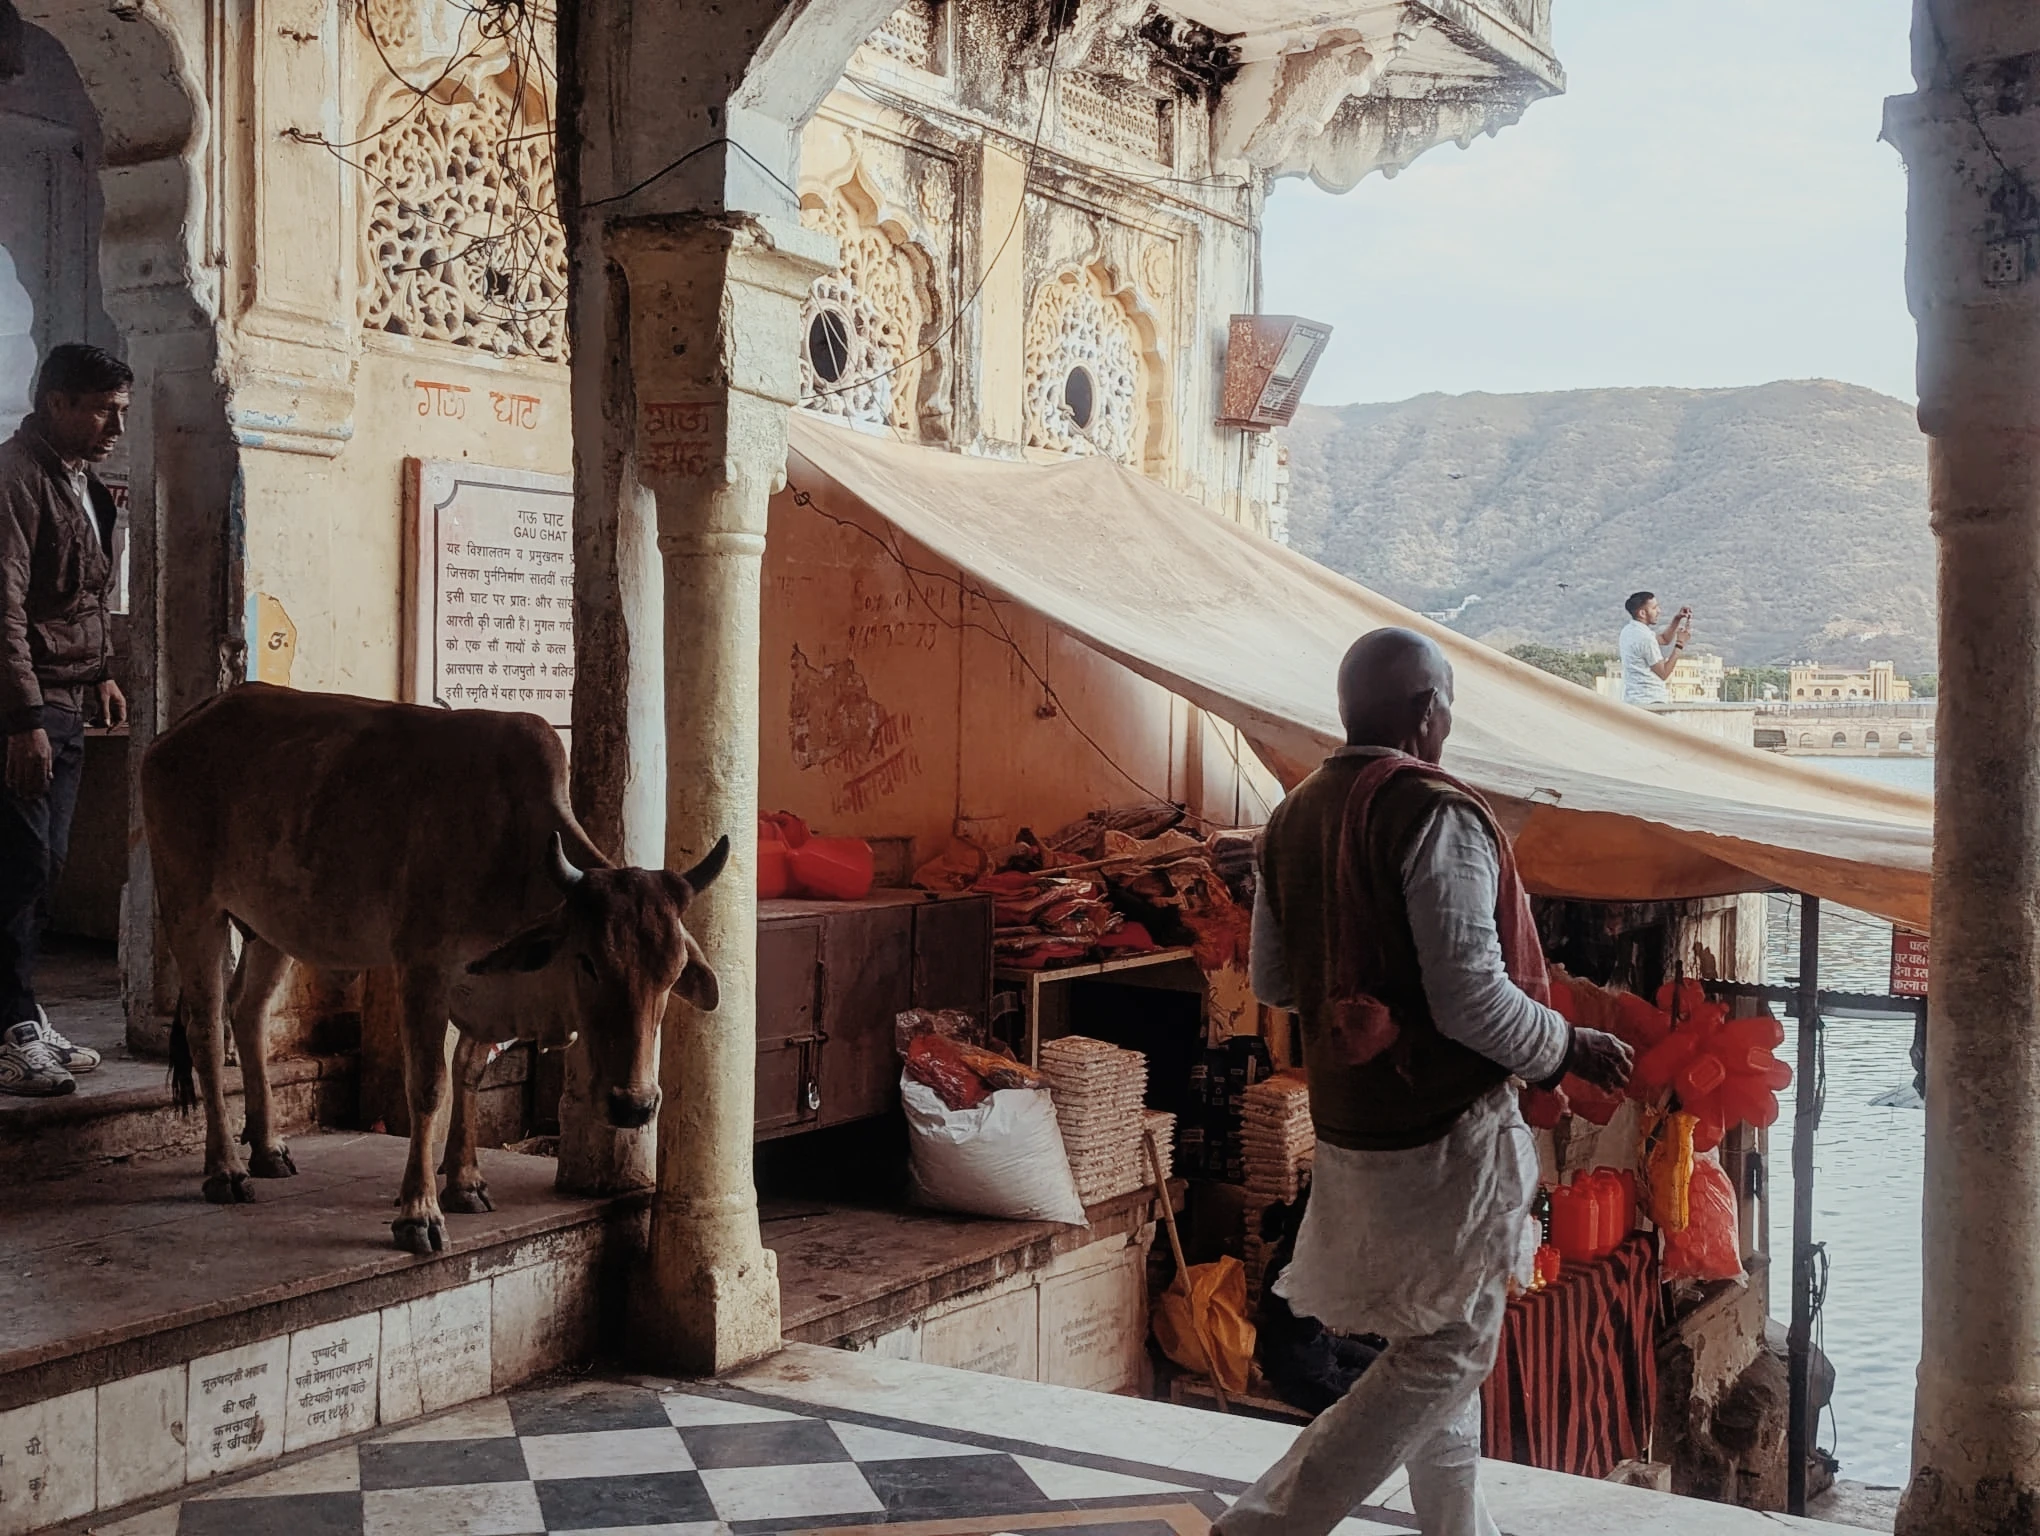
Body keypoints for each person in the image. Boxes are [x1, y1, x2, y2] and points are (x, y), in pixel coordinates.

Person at [1220, 627, 1634, 1536]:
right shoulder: (1435, 813)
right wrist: (1568, 1045)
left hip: (1354, 1133)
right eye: (1447, 702)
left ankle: (1459, 1530)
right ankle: (1263, 1524)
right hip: (1443, 1135)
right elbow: (1471, 1000)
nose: (1449, 719)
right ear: (1424, 711)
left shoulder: (1292, 816)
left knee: (1431, 1336)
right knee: (1451, 1349)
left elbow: (1277, 985)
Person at [0, 343, 130, 1095]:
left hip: (68, 699)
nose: (114, 426)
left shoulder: (83, 483)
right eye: (103, 410)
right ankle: (10, 1024)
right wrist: (22, 720)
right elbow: (4, 610)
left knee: (42, 870)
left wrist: (103, 670)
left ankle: (21, 1011)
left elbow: (84, 595)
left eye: (120, 411)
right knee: (17, 870)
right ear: (58, 403)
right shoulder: (14, 479)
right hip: (26, 706)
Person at [1619, 590, 1690, 705]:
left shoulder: (1628, 631)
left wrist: (1677, 619)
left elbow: (1664, 639)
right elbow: (1664, 673)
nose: (1659, 611)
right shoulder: (1645, 638)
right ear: (1642, 613)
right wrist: (1680, 644)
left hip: (1634, 699)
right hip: (1651, 700)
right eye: (1654, 608)